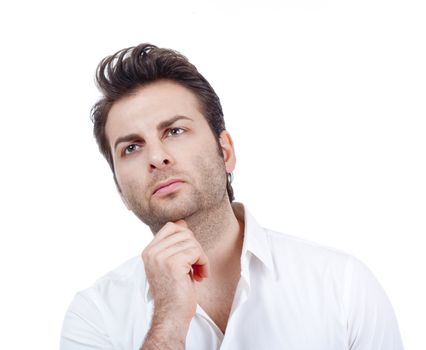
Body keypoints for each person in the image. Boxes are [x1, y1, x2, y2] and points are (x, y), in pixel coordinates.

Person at [60, 43, 404, 350]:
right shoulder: (95, 316)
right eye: (132, 147)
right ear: (120, 189)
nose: (156, 157)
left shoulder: (341, 285)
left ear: (224, 151)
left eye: (175, 131)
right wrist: (169, 320)